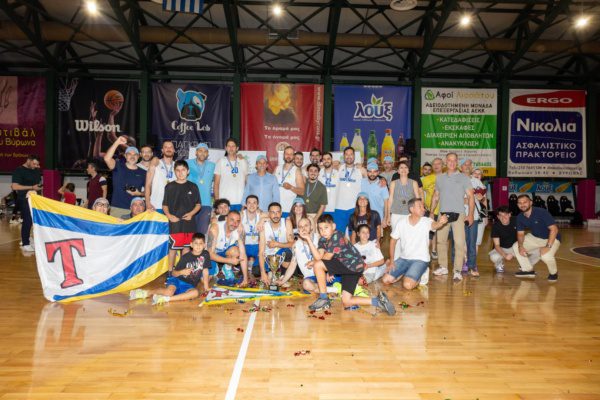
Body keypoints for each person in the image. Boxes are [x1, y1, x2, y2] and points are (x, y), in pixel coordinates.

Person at [300, 214, 396, 315]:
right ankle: (379, 301)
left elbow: (325, 259)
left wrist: (316, 263)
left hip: (353, 265)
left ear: (333, 226)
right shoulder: (323, 240)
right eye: (320, 229)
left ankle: (323, 298)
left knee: (318, 265)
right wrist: (308, 239)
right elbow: (319, 256)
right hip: (350, 268)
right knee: (346, 301)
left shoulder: (337, 236)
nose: (323, 231)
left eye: (326, 227)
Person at [383, 198, 449, 290]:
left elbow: (435, 225)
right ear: (412, 209)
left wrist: (440, 222)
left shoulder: (426, 221)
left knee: (407, 285)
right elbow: (393, 241)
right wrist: (392, 261)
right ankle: (407, 272)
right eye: (420, 206)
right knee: (386, 280)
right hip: (404, 259)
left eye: (423, 207)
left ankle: (422, 273)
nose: (423, 209)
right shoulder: (401, 222)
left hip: (420, 260)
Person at [129, 233, 211, 305]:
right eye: (196, 243)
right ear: (191, 244)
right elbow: (173, 273)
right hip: (177, 280)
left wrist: (206, 287)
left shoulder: (205, 254)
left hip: (189, 285)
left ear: (204, 245)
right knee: (169, 292)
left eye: (201, 243)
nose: (198, 246)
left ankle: (166, 299)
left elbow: (205, 271)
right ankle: (147, 293)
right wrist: (182, 272)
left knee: (195, 293)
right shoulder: (186, 257)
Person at [430, 152, 475, 281]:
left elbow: (471, 196)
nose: (452, 163)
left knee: (459, 243)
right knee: (441, 242)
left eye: (454, 160)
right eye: (449, 160)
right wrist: (432, 212)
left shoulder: (464, 178)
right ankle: (443, 267)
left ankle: (457, 270)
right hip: (443, 214)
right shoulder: (440, 178)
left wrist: (470, 214)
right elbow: (436, 195)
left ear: (457, 162)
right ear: (446, 161)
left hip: (459, 214)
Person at [277, 217, 340, 293]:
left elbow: (330, 256)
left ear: (311, 227)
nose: (303, 228)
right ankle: (333, 289)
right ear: (298, 230)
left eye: (306, 225)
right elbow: (292, 265)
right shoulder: (296, 245)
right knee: (306, 284)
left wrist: (330, 270)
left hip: (327, 274)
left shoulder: (320, 238)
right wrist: (283, 281)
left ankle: (322, 289)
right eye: (300, 227)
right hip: (311, 278)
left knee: (340, 276)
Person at [162, 160, 201, 271]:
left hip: (189, 223)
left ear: (187, 171)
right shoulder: (169, 186)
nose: (180, 173)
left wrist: (191, 214)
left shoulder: (193, 186)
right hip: (175, 223)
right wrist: (169, 216)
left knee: (186, 248)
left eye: (183, 170)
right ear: (174, 171)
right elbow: (165, 205)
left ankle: (183, 271)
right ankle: (170, 272)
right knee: (173, 248)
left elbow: (198, 205)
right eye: (178, 170)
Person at [513, 195, 560, 282]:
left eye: (525, 202)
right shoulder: (520, 217)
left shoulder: (541, 212)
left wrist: (548, 246)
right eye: (520, 203)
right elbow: (520, 234)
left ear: (531, 202)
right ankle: (528, 270)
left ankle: (554, 273)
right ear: (517, 205)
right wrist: (521, 246)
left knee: (545, 256)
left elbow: (554, 229)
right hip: (535, 237)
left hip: (551, 238)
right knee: (516, 246)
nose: (522, 205)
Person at [489, 205, 540, 273]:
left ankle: (525, 266)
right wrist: (505, 255)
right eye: (501, 215)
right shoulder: (495, 226)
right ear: (498, 217)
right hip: (502, 248)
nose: (503, 217)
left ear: (509, 214)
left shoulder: (516, 220)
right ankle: (499, 265)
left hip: (516, 247)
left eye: (506, 214)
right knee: (494, 256)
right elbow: (497, 245)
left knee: (538, 252)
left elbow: (529, 224)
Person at [104, 136, 146, 217]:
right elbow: (107, 158)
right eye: (129, 154)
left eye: (135, 154)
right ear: (125, 156)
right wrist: (117, 142)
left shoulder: (143, 173)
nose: (132, 156)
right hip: (118, 209)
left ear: (138, 157)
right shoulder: (118, 166)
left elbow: (149, 192)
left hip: (136, 210)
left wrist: (139, 193)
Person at [207, 211, 249, 286]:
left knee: (236, 251)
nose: (235, 223)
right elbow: (209, 254)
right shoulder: (215, 228)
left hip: (225, 252)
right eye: (232, 220)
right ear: (226, 219)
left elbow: (243, 255)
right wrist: (229, 260)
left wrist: (245, 278)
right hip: (211, 254)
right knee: (207, 279)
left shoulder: (240, 230)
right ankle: (215, 266)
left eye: (237, 221)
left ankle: (227, 268)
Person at [11, 154, 41, 252]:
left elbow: (37, 184)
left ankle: (28, 238)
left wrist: (39, 188)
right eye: (34, 164)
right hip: (24, 199)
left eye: (37, 164)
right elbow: (14, 186)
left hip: (36, 199)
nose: (35, 166)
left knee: (34, 220)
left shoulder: (36, 170)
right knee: (27, 220)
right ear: (28, 160)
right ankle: (25, 243)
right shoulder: (19, 170)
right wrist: (31, 187)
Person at [258, 202, 294, 285]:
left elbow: (292, 243)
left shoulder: (286, 222)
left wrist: (277, 244)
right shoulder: (263, 225)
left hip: (281, 253)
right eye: (273, 212)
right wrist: (263, 273)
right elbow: (261, 251)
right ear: (268, 214)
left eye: (278, 212)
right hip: (268, 256)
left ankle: (282, 275)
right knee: (256, 271)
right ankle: (272, 272)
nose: (276, 215)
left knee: (288, 253)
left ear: (281, 213)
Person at [334, 146, 366, 235]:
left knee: (354, 235)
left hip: (354, 208)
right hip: (339, 208)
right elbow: (323, 166)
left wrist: (382, 180)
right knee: (339, 235)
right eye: (346, 154)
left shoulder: (360, 169)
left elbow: (371, 179)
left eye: (351, 154)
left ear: (354, 156)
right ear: (343, 156)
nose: (349, 156)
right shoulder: (339, 167)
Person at [187, 143, 216, 234]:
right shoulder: (187, 163)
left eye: (205, 151)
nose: (202, 153)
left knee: (202, 233)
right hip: (190, 203)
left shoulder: (212, 165)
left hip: (206, 204)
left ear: (207, 154)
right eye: (200, 151)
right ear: (196, 152)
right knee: (190, 233)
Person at [214, 138, 248, 211]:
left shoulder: (243, 161)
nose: (231, 148)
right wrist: (217, 201)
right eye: (229, 146)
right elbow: (216, 183)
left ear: (237, 148)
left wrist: (246, 200)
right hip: (224, 202)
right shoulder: (221, 161)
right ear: (225, 148)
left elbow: (247, 182)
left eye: (233, 146)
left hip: (240, 201)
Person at [145, 140, 176, 213]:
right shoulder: (156, 163)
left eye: (171, 147)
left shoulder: (177, 166)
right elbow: (147, 185)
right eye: (166, 147)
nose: (168, 149)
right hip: (156, 205)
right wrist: (147, 203)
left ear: (174, 150)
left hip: (172, 207)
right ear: (162, 150)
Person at [386, 161, 419, 228]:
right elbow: (390, 200)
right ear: (398, 171)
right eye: (401, 168)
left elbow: (417, 199)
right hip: (396, 214)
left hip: (410, 214)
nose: (403, 169)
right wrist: (388, 216)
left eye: (406, 167)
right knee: (396, 234)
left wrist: (418, 213)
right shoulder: (393, 183)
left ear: (408, 170)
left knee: (409, 234)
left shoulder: (414, 183)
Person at [421, 157, 442, 259]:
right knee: (429, 232)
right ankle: (425, 255)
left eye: (439, 164)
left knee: (442, 235)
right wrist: (422, 204)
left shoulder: (447, 177)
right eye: (434, 164)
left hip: (445, 211)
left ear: (443, 165)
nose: (436, 166)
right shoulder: (426, 179)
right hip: (430, 210)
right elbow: (418, 191)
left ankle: (434, 252)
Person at [275, 146, 305, 218]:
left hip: (288, 209)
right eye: (287, 154)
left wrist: (291, 187)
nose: (288, 156)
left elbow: (302, 191)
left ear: (293, 156)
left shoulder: (296, 170)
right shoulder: (277, 168)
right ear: (283, 155)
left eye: (291, 154)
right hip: (276, 208)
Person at [241, 195, 263, 272]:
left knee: (256, 272)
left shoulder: (261, 215)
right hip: (244, 246)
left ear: (258, 205)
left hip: (257, 246)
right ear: (245, 204)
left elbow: (273, 217)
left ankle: (253, 264)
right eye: (249, 203)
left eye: (254, 203)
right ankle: (244, 264)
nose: (252, 205)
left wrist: (262, 220)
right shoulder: (241, 214)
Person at [318, 152, 339, 217]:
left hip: (335, 208)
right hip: (322, 208)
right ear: (322, 161)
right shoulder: (318, 173)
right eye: (324, 159)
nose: (326, 161)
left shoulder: (338, 172)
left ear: (332, 160)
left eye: (328, 159)